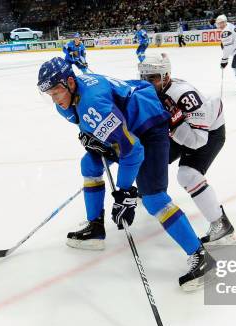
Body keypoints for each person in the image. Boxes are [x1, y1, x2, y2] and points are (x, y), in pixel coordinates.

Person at [37, 57, 216, 291]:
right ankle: (95, 228)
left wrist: (124, 192)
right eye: (50, 94)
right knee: (90, 165)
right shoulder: (71, 97)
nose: (55, 99)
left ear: (70, 82)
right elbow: (98, 124)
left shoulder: (92, 102)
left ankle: (200, 256)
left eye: (57, 92)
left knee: (152, 197)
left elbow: (132, 150)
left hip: (149, 126)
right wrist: (94, 140)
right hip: (129, 125)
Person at [139, 54, 236, 246]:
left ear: (166, 76)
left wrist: (174, 122)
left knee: (188, 174)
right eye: (144, 77)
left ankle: (221, 224)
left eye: (153, 78)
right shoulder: (154, 90)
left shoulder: (184, 95)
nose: (147, 83)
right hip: (184, 128)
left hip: (208, 131)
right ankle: (147, 191)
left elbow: (198, 141)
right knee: (152, 156)